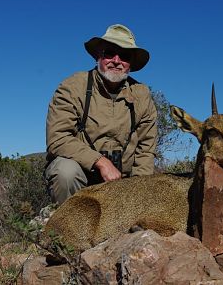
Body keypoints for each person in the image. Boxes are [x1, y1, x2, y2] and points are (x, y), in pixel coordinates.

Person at [44, 24, 158, 205]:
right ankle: (67, 230)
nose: (116, 60)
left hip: (122, 182)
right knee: (65, 172)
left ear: (131, 63)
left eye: (125, 56)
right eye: (110, 53)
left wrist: (138, 191)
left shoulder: (142, 95)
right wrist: (101, 162)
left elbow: (145, 150)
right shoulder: (73, 87)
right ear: (99, 55)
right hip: (82, 174)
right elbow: (58, 138)